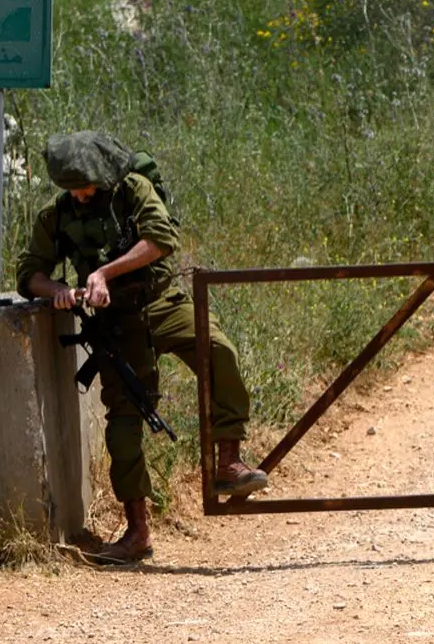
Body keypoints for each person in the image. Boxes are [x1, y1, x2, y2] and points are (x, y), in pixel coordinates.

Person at [16, 131, 268, 564]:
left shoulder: (133, 190)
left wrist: (105, 274)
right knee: (124, 421)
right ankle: (137, 531)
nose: (79, 194)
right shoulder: (57, 215)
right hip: (117, 325)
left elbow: (161, 238)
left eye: (86, 185)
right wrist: (61, 290)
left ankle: (228, 460)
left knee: (219, 351)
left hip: (162, 302)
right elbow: (28, 273)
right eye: (71, 187)